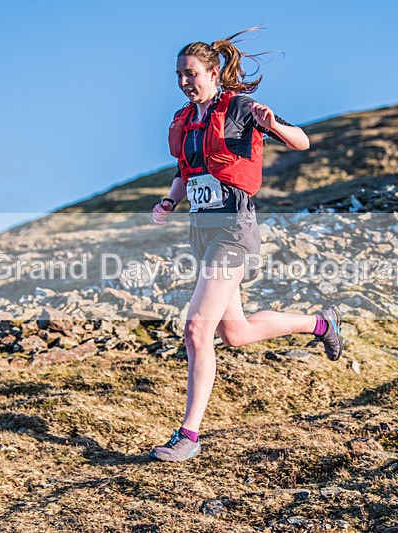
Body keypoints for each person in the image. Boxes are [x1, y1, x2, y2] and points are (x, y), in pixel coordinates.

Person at [149, 27, 346, 462]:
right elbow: (187, 170)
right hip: (202, 231)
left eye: (192, 73)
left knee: (196, 329)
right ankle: (321, 323)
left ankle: (188, 436)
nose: (184, 81)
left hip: (234, 229)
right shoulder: (188, 121)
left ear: (213, 72)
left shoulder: (239, 107)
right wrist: (169, 201)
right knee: (235, 334)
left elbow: (303, 141)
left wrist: (273, 123)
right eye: (179, 74)